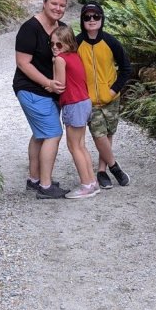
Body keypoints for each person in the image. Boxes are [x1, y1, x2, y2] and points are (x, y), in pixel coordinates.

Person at [13, 0, 67, 199]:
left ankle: (34, 179)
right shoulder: (30, 28)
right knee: (53, 134)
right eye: (54, 3)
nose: (58, 8)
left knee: (40, 135)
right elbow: (23, 63)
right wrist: (48, 83)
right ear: (44, 3)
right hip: (31, 89)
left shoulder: (62, 28)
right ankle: (46, 186)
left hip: (51, 92)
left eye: (62, 5)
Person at [76, 1, 132, 189]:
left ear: (101, 18)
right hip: (88, 100)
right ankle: (115, 167)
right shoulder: (76, 43)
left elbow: (126, 68)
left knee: (108, 134)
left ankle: (101, 171)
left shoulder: (110, 41)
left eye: (96, 16)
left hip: (111, 99)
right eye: (87, 17)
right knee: (98, 134)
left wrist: (113, 90)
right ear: (82, 20)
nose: (91, 20)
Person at [50, 26, 100, 200]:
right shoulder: (75, 56)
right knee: (81, 145)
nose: (54, 47)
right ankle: (92, 182)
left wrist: (47, 84)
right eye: (52, 44)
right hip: (84, 102)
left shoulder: (60, 59)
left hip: (73, 104)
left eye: (58, 44)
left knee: (74, 146)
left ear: (68, 43)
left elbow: (59, 85)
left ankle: (86, 186)